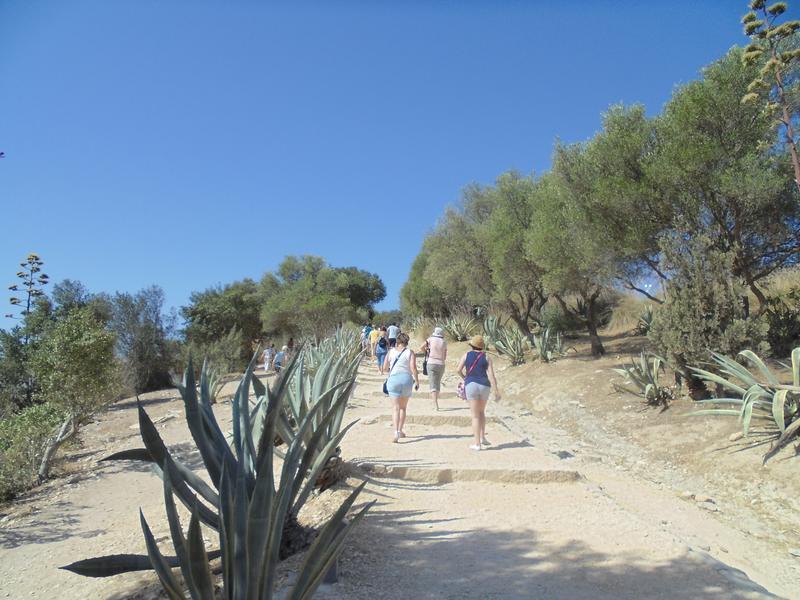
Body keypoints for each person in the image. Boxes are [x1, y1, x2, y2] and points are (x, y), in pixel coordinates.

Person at [457, 335, 501, 451]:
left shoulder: (466, 355)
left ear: (472, 345)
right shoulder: (487, 357)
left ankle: (477, 444)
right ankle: (483, 438)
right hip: (485, 385)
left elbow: (458, 370)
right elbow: (491, 375)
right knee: (481, 412)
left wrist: (465, 378)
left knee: (475, 415)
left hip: (471, 384)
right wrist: (496, 390)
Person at [382, 332, 419, 443]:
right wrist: (417, 381)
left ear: (397, 341)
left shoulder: (391, 352)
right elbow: (413, 368)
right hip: (407, 380)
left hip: (393, 380)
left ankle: (395, 432)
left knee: (395, 408)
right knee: (403, 408)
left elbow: (384, 368)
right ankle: (400, 430)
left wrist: (391, 371)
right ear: (407, 342)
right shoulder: (410, 352)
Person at [420, 326, 447, 411]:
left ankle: (435, 404)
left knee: (432, 383)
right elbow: (445, 356)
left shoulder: (430, 339)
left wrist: (427, 352)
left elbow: (421, 347)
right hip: (441, 364)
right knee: (437, 383)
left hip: (431, 362)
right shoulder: (444, 342)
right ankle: (436, 400)